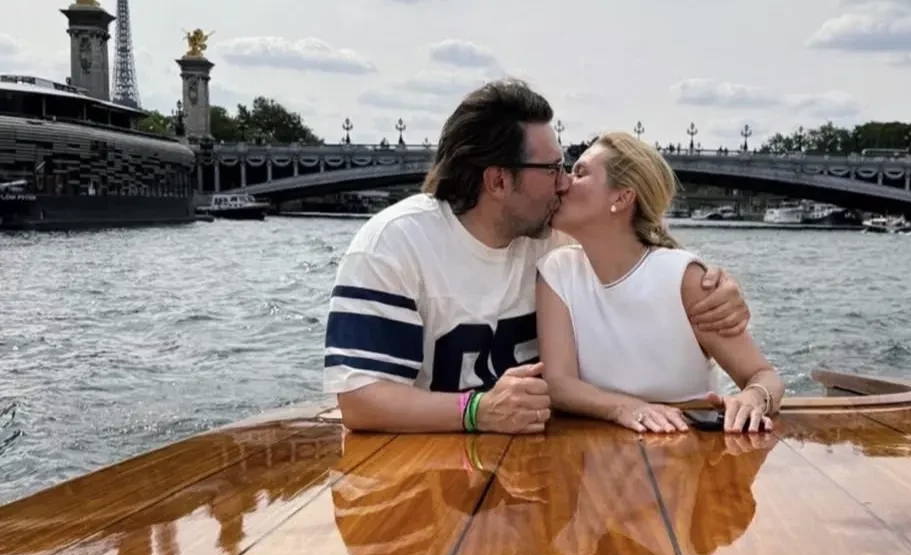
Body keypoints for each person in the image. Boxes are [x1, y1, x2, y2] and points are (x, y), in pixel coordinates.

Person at [324, 80, 751, 434]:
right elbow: (360, 401)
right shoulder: (395, 244)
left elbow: (640, 258)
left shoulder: (555, 240)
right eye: (552, 169)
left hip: (541, 468)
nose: (563, 184)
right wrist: (477, 411)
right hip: (426, 466)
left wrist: (715, 287)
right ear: (498, 182)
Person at [535, 131, 785, 433]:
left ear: (622, 198)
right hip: (597, 454)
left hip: (688, 448)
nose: (562, 183)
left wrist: (752, 399)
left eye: (580, 173)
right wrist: (625, 408)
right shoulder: (557, 271)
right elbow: (559, 385)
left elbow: (762, 375)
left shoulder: (684, 280)